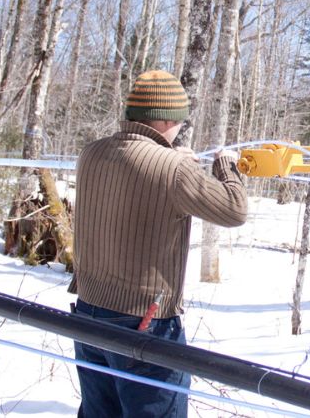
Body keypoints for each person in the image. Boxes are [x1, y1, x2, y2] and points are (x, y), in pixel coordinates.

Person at [68, 70, 247, 418]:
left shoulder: (91, 153)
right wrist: (226, 167)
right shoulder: (173, 170)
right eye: (180, 120)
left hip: (88, 312)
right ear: (166, 118)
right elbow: (234, 209)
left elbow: (139, 172)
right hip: (144, 322)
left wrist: (176, 158)